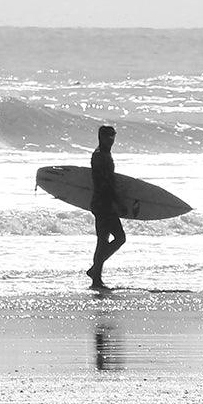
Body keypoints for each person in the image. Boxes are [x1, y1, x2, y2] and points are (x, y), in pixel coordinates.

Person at [87, 123, 126, 290]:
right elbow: (106, 183)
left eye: (113, 135)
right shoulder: (100, 156)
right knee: (106, 240)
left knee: (112, 239)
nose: (111, 139)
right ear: (101, 137)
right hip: (103, 204)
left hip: (104, 203)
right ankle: (96, 277)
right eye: (108, 136)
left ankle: (95, 272)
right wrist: (119, 202)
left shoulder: (104, 154)